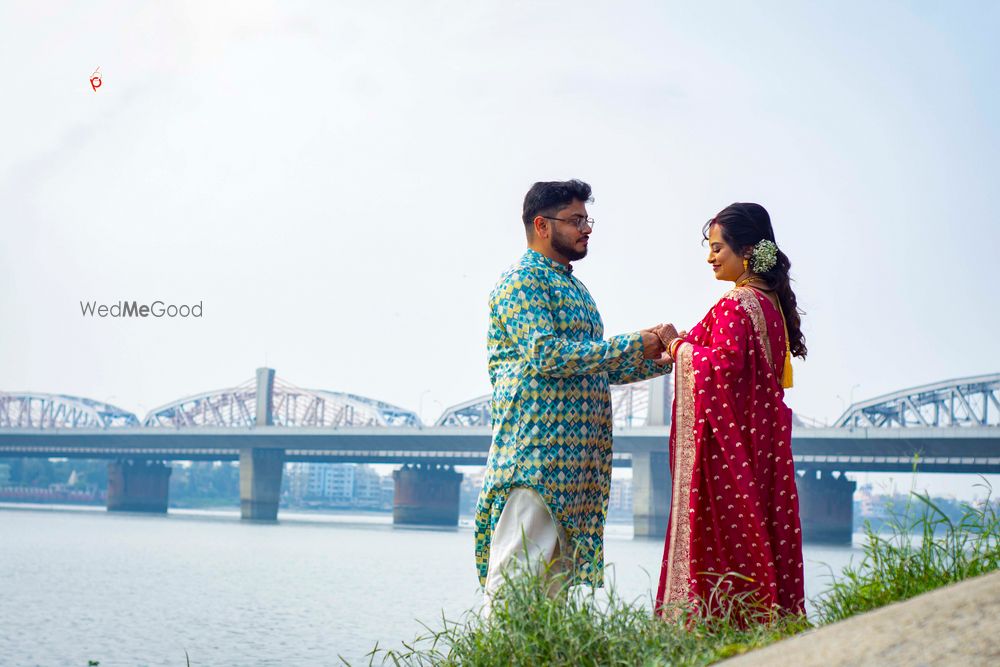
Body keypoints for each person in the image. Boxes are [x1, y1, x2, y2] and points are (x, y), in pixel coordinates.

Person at [474, 179, 677, 613]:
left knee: (550, 600)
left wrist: (660, 357)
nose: (586, 229)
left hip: (576, 470)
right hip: (536, 458)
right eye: (576, 220)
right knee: (515, 588)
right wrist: (632, 342)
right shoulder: (521, 282)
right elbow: (546, 354)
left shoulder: (575, 289)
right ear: (542, 226)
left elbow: (592, 366)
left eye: (587, 220)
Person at [652, 203, 807, 619]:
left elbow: (717, 369)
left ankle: (718, 631)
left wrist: (675, 346)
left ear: (748, 250)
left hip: (732, 454)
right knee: (761, 538)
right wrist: (688, 346)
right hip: (764, 449)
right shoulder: (771, 305)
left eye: (718, 247)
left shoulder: (737, 304)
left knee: (727, 544)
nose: (710, 257)